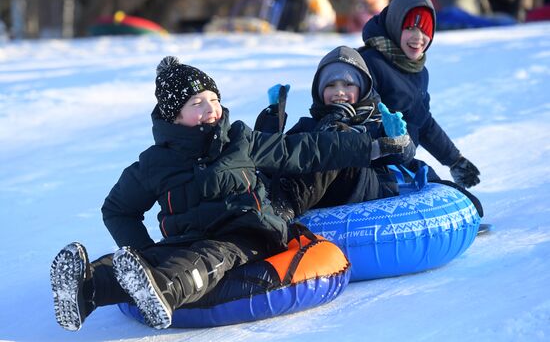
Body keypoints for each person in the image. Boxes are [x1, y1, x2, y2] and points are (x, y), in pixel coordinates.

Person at [49, 56, 411, 331]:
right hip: (187, 235)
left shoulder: (239, 140)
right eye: (197, 104)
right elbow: (117, 209)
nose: (210, 110)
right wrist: (142, 251)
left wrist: (374, 147)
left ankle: (161, 290)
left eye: (213, 99)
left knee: (207, 258)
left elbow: (306, 151)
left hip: (248, 232)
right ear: (174, 115)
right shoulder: (155, 163)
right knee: (156, 255)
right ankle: (87, 288)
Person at [255, 45, 416, 219]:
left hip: (364, 193)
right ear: (319, 92)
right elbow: (277, 157)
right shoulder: (309, 126)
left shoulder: (372, 123)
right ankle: (267, 202)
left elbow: (404, 157)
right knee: (304, 147)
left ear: (362, 89)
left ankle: (285, 204)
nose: (339, 92)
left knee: (337, 139)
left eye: (348, 84)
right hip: (320, 198)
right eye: (330, 85)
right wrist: (273, 116)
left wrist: (399, 139)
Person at [358, 0, 481, 192]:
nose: (418, 37)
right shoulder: (370, 63)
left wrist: (454, 159)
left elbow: (423, 122)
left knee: (455, 196)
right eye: (410, 28)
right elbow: (359, 120)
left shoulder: (419, 73)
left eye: (425, 30)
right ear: (396, 25)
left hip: (404, 163)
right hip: (373, 168)